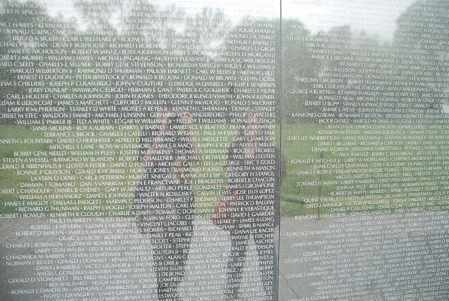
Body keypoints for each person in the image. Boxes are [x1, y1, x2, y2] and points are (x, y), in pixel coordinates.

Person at [133, 109, 202, 300]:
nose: (172, 118)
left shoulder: (182, 138)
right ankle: (165, 291)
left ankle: (172, 287)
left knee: (182, 248)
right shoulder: (149, 132)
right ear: (160, 114)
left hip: (183, 202)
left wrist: (189, 130)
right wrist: (162, 131)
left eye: (175, 114)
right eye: (168, 113)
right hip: (159, 203)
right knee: (162, 250)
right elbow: (147, 162)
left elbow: (197, 160)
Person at [224, 112, 285, 300]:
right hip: (241, 210)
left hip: (263, 211)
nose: (250, 127)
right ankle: (232, 289)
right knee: (237, 251)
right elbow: (231, 178)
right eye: (246, 124)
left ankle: (271, 292)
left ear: (261, 128)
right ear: (242, 128)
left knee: (266, 252)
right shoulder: (235, 148)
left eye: (254, 124)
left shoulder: (273, 151)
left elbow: (279, 179)